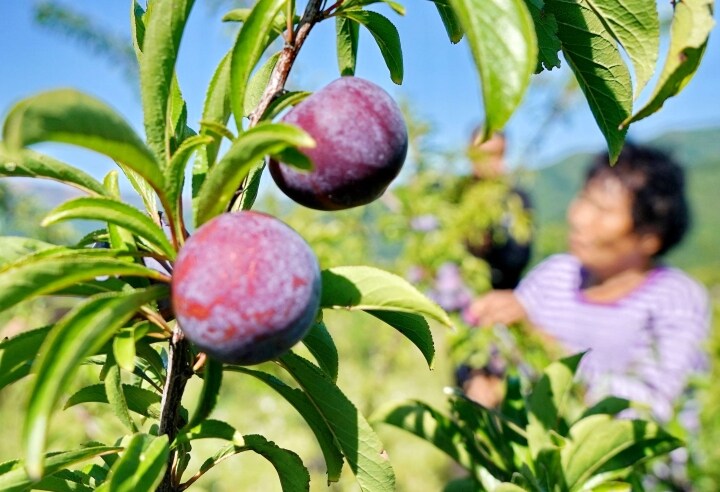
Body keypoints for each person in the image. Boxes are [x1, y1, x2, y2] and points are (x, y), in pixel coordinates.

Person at [464, 143, 710, 423]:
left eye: (603, 211)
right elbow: (510, 355)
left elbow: (655, 409)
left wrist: (547, 349)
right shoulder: (555, 275)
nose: (578, 217)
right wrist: (488, 375)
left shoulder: (676, 300)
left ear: (649, 237)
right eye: (583, 199)